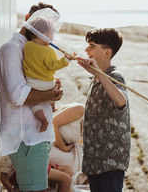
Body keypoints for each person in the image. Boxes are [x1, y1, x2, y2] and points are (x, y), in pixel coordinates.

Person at [0, 2, 63, 192]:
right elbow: (18, 96)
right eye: (41, 23)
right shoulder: (12, 49)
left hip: (36, 138)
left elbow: (39, 83)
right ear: (28, 19)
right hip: (26, 138)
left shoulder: (34, 51)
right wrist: (51, 93)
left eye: (49, 26)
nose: (45, 30)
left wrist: (54, 87)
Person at [77, 28, 131, 192]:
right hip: (95, 159)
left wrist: (99, 74)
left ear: (107, 52)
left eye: (92, 46)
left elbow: (121, 101)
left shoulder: (114, 76)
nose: (87, 50)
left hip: (110, 160)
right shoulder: (96, 77)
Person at [23, 17, 72, 132]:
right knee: (52, 95)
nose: (53, 37)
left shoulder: (27, 46)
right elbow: (53, 66)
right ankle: (52, 110)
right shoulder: (49, 51)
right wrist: (66, 60)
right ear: (42, 34)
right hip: (47, 84)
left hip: (31, 83)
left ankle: (43, 120)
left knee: (34, 104)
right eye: (51, 33)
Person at [49, 103, 87, 186]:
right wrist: (63, 148)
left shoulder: (93, 127)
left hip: (58, 146)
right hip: (46, 143)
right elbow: (52, 123)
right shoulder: (80, 110)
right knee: (76, 164)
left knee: (85, 161)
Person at [0, 155, 73, 192]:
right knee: (65, 179)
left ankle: (47, 183)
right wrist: (11, 190)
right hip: (27, 171)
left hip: (37, 166)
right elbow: (3, 178)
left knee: (68, 170)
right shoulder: (10, 149)